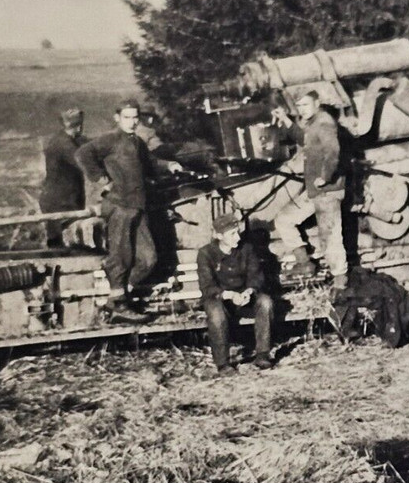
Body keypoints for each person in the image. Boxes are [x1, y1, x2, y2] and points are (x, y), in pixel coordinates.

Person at [75, 100, 183, 323]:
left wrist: (169, 165)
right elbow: (83, 154)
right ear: (117, 118)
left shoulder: (137, 142)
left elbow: (150, 163)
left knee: (148, 259)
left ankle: (117, 299)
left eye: (135, 117)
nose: (132, 122)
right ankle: (119, 305)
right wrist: (102, 181)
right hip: (119, 206)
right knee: (121, 257)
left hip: (138, 206)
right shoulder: (110, 139)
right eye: (127, 117)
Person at [269, 90, 348, 289]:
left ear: (317, 103)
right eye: (300, 106)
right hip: (315, 190)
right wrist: (286, 120)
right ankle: (304, 263)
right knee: (284, 219)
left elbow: (333, 152)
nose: (302, 110)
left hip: (327, 191)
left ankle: (340, 281)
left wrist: (326, 176)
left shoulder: (324, 123)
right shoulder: (313, 123)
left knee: (329, 236)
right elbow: (303, 138)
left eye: (306, 105)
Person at [197, 212, 274, 374]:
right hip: (219, 299)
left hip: (244, 298)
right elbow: (207, 287)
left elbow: (256, 277)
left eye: (237, 232)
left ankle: (262, 355)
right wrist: (229, 295)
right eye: (232, 234)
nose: (237, 238)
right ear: (219, 235)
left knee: (265, 302)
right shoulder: (206, 253)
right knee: (216, 314)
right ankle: (223, 364)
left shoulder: (247, 249)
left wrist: (249, 291)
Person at [40, 108, 87, 247]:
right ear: (79, 126)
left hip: (62, 199)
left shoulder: (64, 140)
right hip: (61, 202)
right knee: (62, 244)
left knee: (65, 242)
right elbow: (82, 162)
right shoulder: (64, 144)